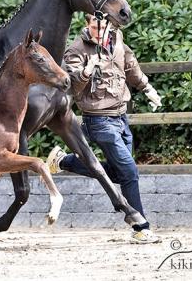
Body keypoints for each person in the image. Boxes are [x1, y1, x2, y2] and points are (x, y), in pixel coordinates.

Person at [46, 13, 162, 243]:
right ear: (87, 24)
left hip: (121, 116)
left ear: (110, 25)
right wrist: (85, 73)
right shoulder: (76, 50)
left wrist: (147, 87)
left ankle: (63, 161)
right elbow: (71, 87)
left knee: (120, 173)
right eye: (94, 27)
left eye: (103, 27)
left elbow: (129, 64)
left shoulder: (116, 37)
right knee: (129, 172)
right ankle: (140, 226)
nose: (99, 32)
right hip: (98, 120)